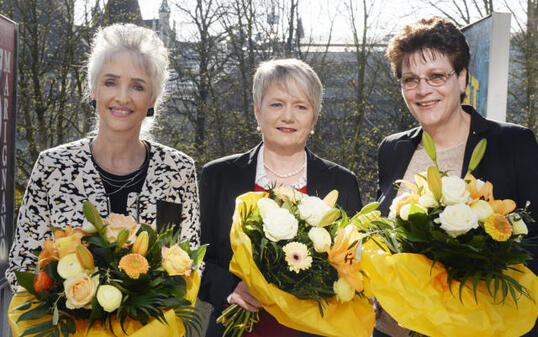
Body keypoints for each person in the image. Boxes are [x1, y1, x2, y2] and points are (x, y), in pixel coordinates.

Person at [6, 23, 201, 292]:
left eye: (137, 86)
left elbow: (190, 268)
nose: (122, 97)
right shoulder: (53, 167)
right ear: (94, 89)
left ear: (153, 97)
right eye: (110, 82)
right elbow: (22, 267)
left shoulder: (178, 171)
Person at [375, 17, 538, 337]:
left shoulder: (513, 143)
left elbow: (534, 248)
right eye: (410, 79)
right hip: (395, 330)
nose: (423, 90)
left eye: (436, 76)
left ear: (462, 77)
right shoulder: (392, 149)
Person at [199, 58, 363, 336]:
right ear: (257, 110)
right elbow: (194, 258)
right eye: (276, 104)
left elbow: (355, 268)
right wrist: (229, 289)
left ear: (314, 117)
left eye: (301, 106)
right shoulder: (218, 176)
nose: (288, 116)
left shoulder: (342, 182)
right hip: (235, 329)